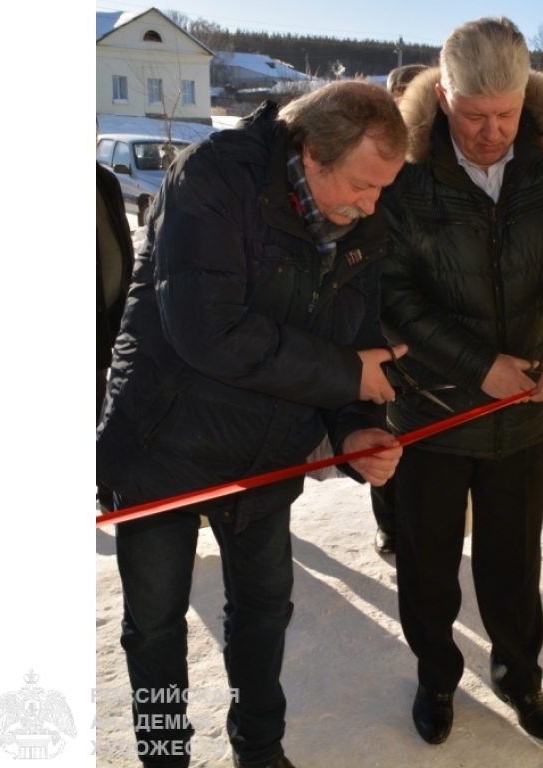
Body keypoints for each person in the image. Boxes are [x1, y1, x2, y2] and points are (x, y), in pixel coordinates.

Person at [95, 81, 409, 768]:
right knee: (153, 628)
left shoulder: (365, 214)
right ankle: (164, 756)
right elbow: (209, 330)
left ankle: (260, 749)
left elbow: (355, 339)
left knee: (264, 614)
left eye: (384, 189)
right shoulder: (212, 177)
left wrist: (357, 427)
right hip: (163, 444)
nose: (372, 204)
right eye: (363, 185)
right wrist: (346, 376)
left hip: (268, 450)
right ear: (311, 152)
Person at [380, 17, 543, 746]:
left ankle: (520, 673)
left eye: (506, 114)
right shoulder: (406, 164)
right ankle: (435, 676)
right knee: (427, 563)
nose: (491, 133)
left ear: (528, 98)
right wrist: (472, 365)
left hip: (525, 410)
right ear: (442, 94)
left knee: (513, 559)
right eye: (473, 114)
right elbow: (391, 291)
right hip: (429, 407)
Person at [369, 61, 430, 557]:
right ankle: (389, 522)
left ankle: (420, 520)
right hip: (377, 313)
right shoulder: (376, 159)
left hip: (424, 316)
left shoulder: (434, 160)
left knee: (421, 434)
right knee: (384, 427)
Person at [97, 145, 134, 512]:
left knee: (107, 405)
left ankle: (107, 488)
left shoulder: (104, 180)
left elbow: (123, 241)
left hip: (110, 317)